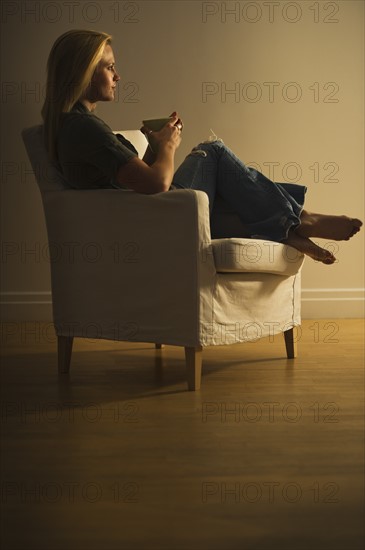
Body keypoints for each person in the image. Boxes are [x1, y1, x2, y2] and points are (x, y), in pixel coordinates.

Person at [42, 30, 362, 264]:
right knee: (213, 150)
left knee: (239, 205)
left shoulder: (74, 128)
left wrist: (155, 147)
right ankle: (301, 220)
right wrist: (168, 145)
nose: (118, 76)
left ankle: (290, 228)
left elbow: (134, 181)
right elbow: (156, 183)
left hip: (146, 220)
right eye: (109, 66)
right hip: (157, 224)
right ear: (83, 70)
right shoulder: (83, 127)